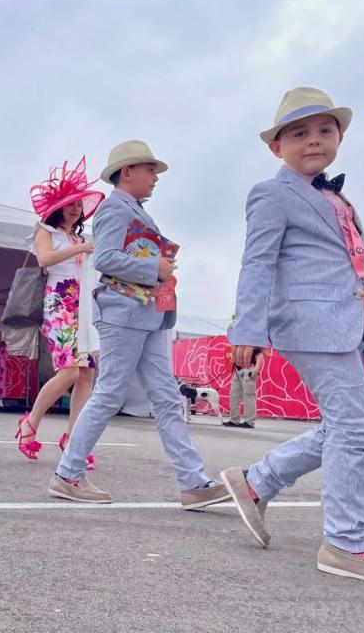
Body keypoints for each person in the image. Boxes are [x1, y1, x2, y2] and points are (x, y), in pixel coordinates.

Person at [222, 87, 364, 585]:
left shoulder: (339, 200)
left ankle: (255, 482)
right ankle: (345, 543)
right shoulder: (271, 193)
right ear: (277, 147)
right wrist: (247, 328)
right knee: (354, 429)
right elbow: (258, 262)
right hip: (308, 324)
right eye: (299, 132)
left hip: (347, 327)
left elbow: (358, 271)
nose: (314, 140)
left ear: (340, 138)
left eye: (325, 130)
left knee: (344, 426)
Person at [50, 140, 230, 511]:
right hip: (124, 312)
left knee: (165, 397)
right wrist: (156, 268)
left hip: (144, 313)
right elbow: (106, 257)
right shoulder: (115, 208)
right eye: (150, 170)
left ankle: (194, 482)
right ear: (127, 172)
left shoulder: (129, 208)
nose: (155, 178)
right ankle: (67, 474)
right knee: (111, 392)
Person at [15, 158, 104, 465]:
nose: (75, 210)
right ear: (58, 207)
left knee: (87, 374)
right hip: (60, 302)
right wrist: (79, 249)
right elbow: (44, 259)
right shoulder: (46, 231)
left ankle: (74, 440)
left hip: (84, 306)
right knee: (69, 370)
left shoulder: (80, 238)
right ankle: (30, 423)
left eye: (78, 205)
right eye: (70, 205)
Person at [222, 317, 262, 428]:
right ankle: (234, 419)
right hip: (238, 370)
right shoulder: (236, 342)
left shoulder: (251, 339)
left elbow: (260, 355)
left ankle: (249, 421)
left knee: (248, 395)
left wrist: (256, 369)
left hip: (249, 369)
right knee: (234, 395)